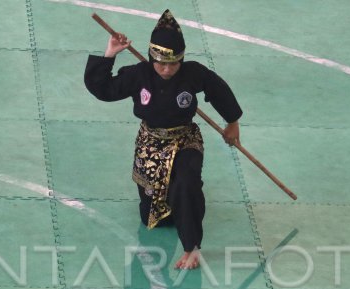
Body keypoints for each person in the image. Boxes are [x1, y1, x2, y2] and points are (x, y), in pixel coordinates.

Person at [84, 9, 243, 270]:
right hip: (150, 143)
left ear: (182, 59)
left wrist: (232, 122)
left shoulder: (193, 73)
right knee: (154, 216)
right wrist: (110, 53)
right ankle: (176, 207)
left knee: (185, 183)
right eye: (161, 63)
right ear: (151, 57)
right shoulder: (139, 74)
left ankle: (192, 247)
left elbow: (218, 89)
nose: (167, 69)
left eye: (173, 64)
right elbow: (104, 90)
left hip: (185, 140)